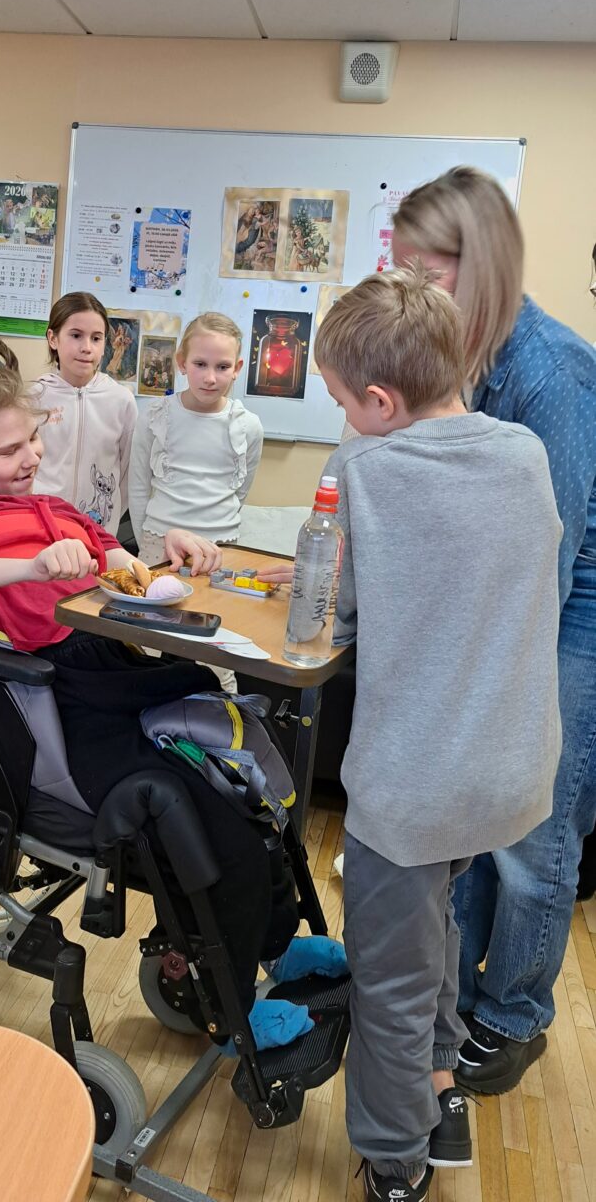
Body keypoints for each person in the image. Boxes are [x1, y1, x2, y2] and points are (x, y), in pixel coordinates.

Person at [0, 330, 346, 1049]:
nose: (31, 459)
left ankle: (278, 943)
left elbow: (118, 562)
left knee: (241, 769)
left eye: (33, 441)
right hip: (47, 691)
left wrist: (166, 557)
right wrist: (30, 568)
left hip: (110, 661)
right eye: (9, 452)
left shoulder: (44, 504)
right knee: (192, 797)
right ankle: (233, 999)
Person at [300, 266, 561, 1202]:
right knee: (436, 923)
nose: (341, 419)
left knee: (389, 976)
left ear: (378, 402)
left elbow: (330, 612)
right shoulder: (523, 452)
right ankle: (441, 1080)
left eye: (341, 402)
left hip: (412, 784)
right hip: (508, 767)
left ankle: (394, 1158)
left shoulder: (362, 471)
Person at [392, 168, 596, 1094]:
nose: (410, 289)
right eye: (401, 268)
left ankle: (513, 1017)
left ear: (481, 264)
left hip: (568, 610)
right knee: (473, 818)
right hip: (504, 599)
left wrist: (483, 663)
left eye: (425, 271)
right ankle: (460, 996)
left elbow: (546, 549)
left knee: (531, 834)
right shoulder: (458, 350)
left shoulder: (551, 371)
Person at [128, 313, 263, 570]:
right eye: (200, 364)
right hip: (159, 541)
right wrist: (144, 540)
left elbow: (240, 489)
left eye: (222, 367)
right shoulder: (155, 416)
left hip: (222, 544)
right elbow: (137, 487)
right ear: (182, 362)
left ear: (237, 368)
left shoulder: (248, 425)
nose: (210, 378)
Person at [32, 293, 137, 533]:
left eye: (96, 338)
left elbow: (128, 473)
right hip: (42, 525)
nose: (87, 348)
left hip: (97, 530)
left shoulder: (121, 401)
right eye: (76, 335)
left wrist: (108, 519)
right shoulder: (34, 398)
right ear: (53, 338)